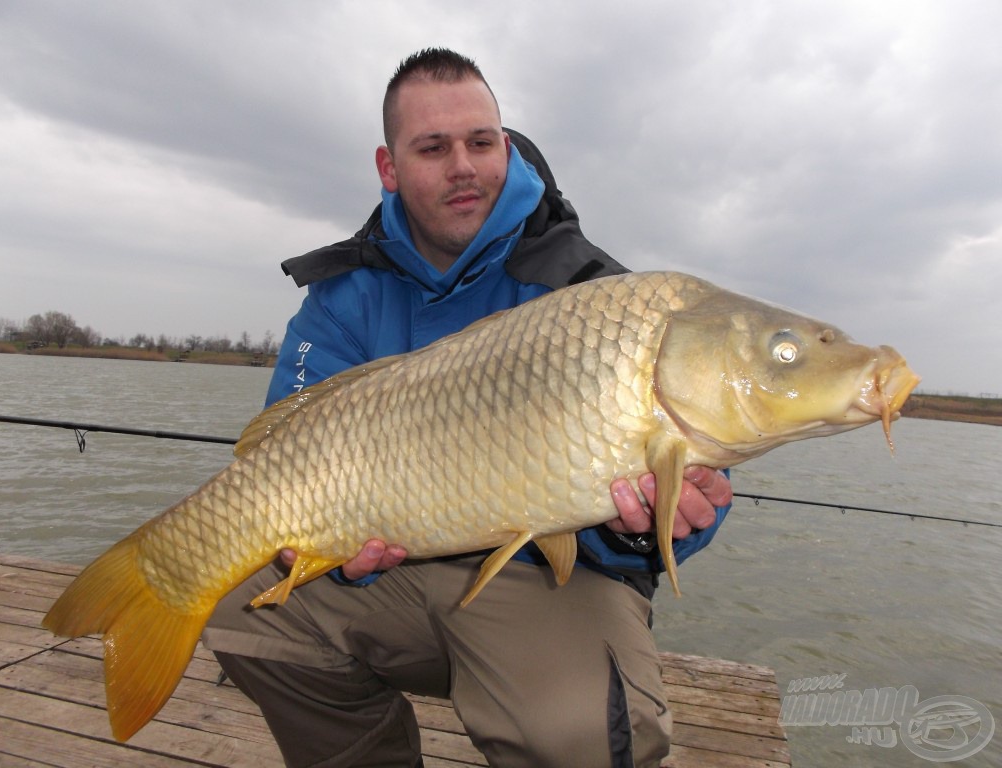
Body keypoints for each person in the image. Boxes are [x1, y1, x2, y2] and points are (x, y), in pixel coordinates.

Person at [202, 48, 732, 768]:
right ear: (389, 168)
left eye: (481, 143)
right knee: (236, 611)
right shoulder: (340, 298)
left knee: (584, 735)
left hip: (550, 574)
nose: (464, 166)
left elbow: (693, 471)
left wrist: (643, 530)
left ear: (505, 149)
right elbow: (283, 451)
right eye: (433, 147)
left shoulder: (591, 294)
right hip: (389, 568)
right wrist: (315, 542)